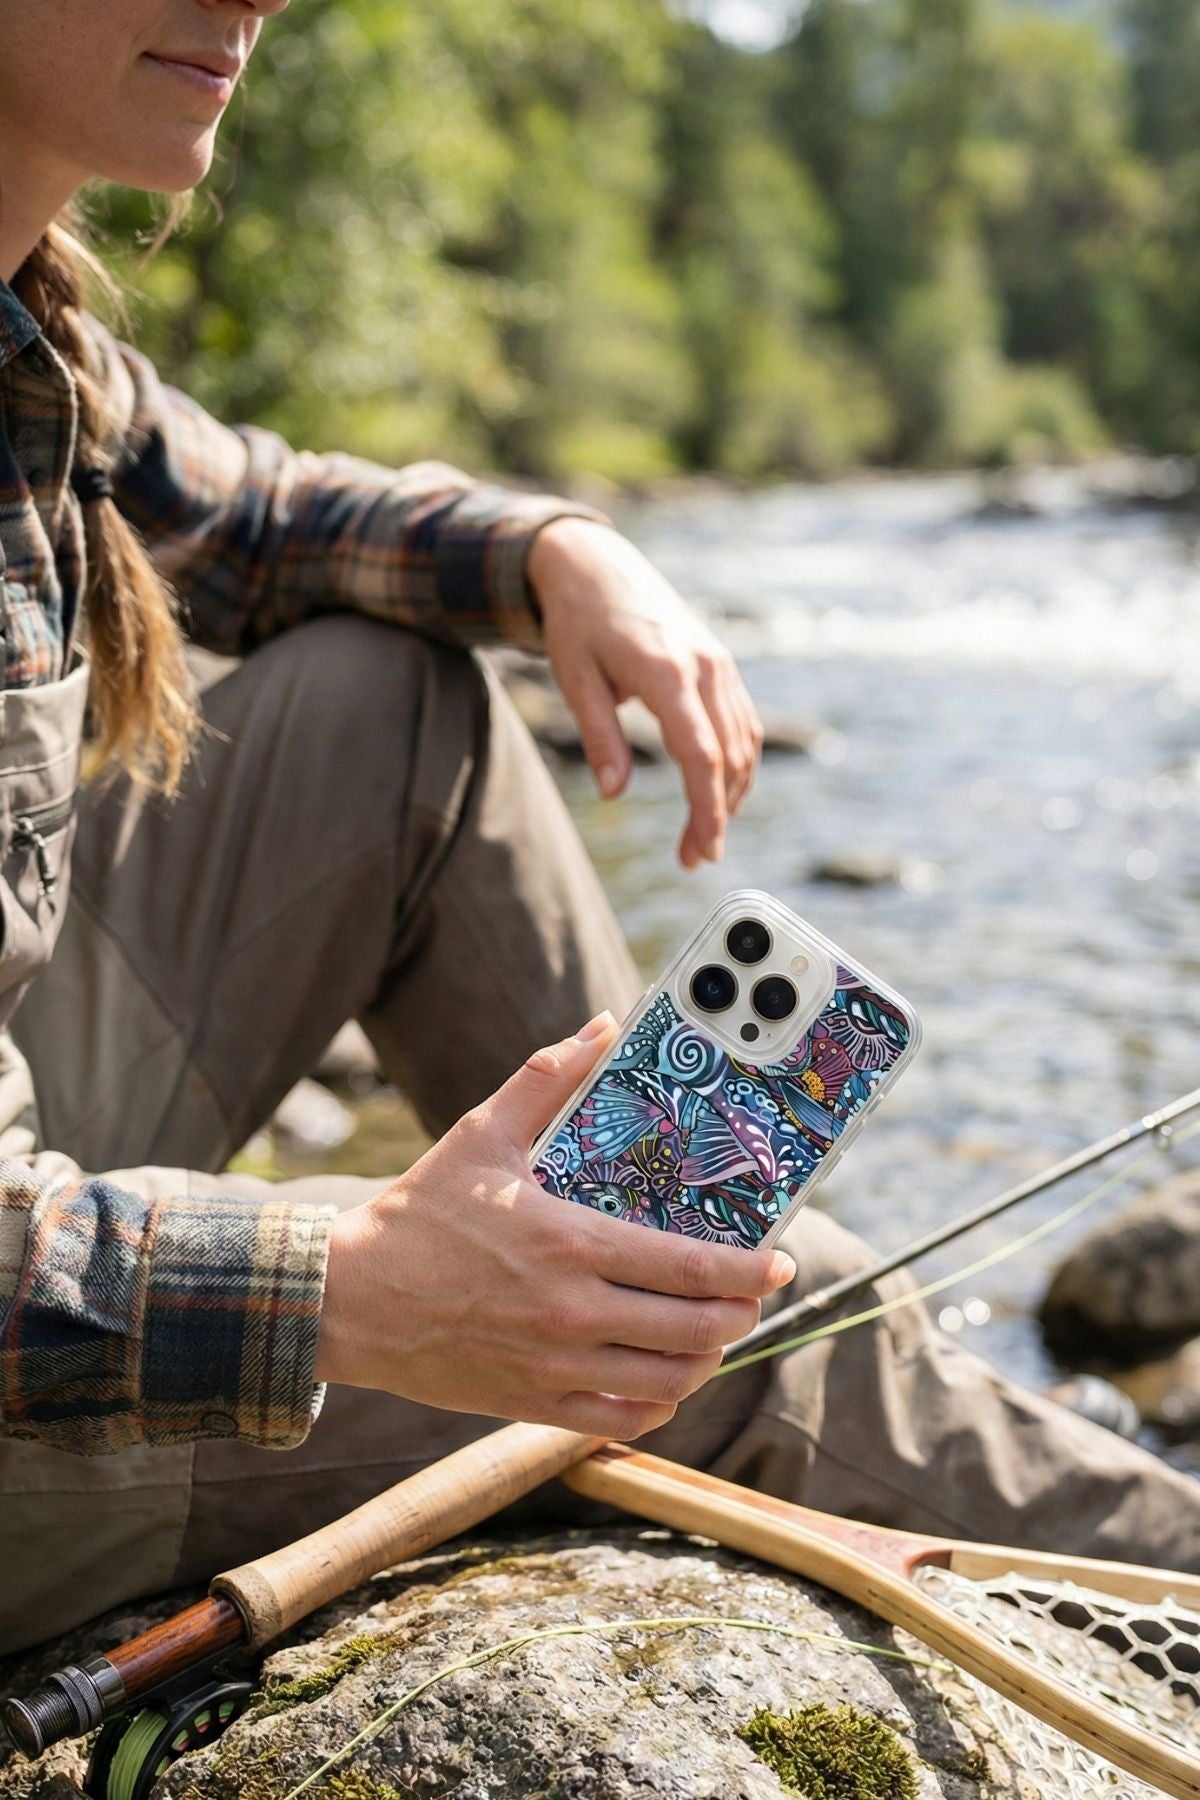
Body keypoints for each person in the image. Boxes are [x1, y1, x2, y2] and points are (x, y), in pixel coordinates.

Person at [1, 0, 1197, 1662]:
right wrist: (356, 1282)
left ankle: (633, 1248)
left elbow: (260, 510)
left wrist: (556, 547)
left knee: (388, 702)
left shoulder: (30, 352)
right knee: (760, 1333)